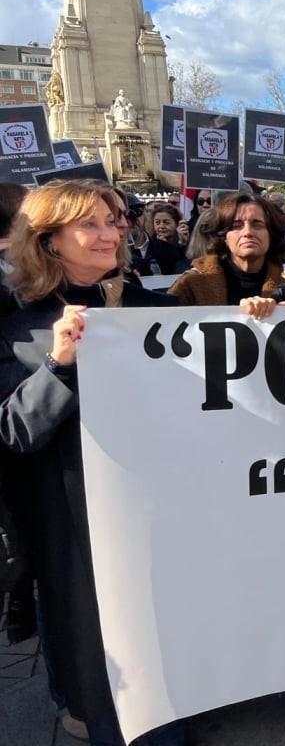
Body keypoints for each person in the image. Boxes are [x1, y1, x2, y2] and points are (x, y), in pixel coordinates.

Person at [0, 180, 182, 746]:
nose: (111, 232)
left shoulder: (162, 309)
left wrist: (258, 319)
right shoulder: (17, 328)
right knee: (93, 645)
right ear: (49, 239)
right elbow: (13, 431)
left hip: (160, 508)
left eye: (114, 219)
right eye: (92, 223)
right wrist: (58, 365)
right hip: (73, 527)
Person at [169, 193, 285, 304]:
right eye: (236, 226)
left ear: (271, 233)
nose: (248, 232)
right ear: (224, 236)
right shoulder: (192, 283)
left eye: (257, 225)